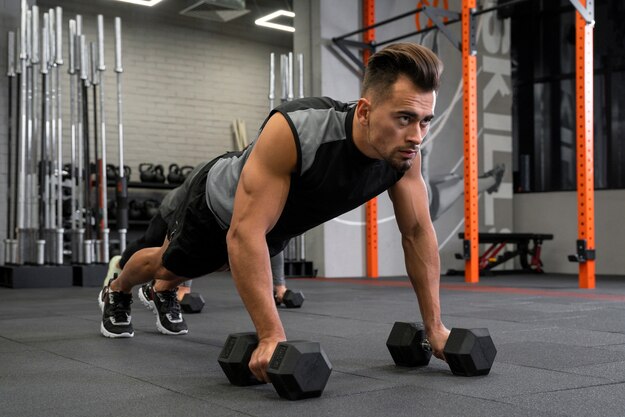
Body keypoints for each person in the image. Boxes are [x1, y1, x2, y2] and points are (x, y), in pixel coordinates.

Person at [99, 42, 450, 383]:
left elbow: (417, 233)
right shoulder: (297, 129)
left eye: (424, 121)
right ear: (364, 111)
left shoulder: (405, 157)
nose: (417, 136)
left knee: (219, 264)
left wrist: (435, 327)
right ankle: (120, 288)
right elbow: (244, 232)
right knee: (168, 264)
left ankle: (161, 291)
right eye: (404, 118)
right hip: (218, 204)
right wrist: (270, 335)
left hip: (275, 225)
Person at [102, 163, 291, 335]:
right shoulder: (220, 171)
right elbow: (193, 234)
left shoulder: (270, 186)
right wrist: (184, 285)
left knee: (217, 258)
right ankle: (117, 276)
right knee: (151, 251)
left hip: (206, 218)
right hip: (174, 211)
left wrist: (279, 285)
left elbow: (264, 241)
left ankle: (159, 289)